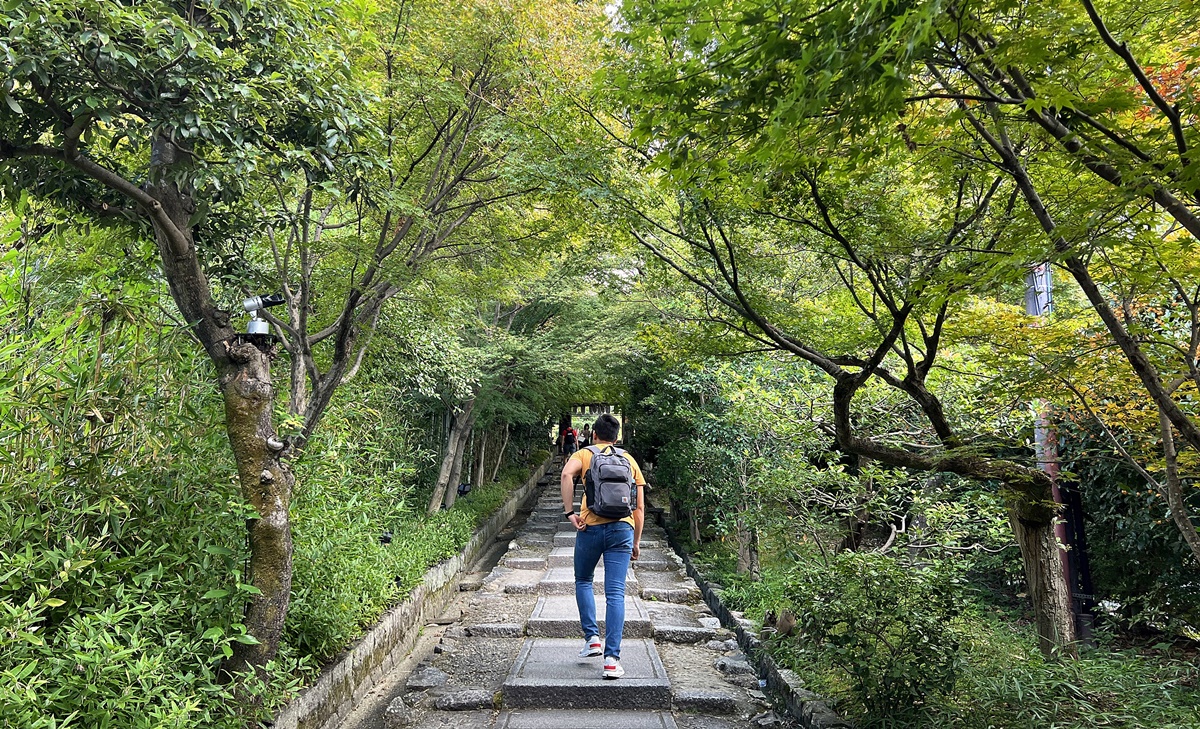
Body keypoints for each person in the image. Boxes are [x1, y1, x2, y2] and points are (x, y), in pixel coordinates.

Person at [560, 414, 646, 679]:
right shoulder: (628, 460)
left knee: (584, 580)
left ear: (594, 434)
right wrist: (636, 541)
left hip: (590, 527)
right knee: (616, 593)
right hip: (622, 529)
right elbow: (639, 507)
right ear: (617, 437)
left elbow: (565, 474)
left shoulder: (584, 454)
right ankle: (612, 660)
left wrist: (569, 513)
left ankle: (592, 639)